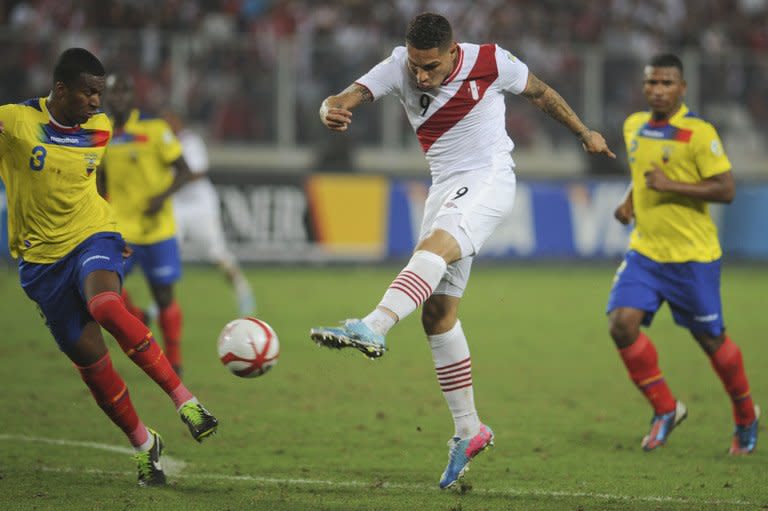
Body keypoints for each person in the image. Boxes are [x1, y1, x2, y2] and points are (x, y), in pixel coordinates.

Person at [309, 12, 615, 489]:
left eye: (430, 66)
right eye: (416, 66)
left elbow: (541, 92)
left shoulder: (491, 61)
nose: (421, 76)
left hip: (489, 180)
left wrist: (584, 133)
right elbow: (349, 95)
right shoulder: (398, 64)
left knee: (433, 249)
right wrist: (330, 108)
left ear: (453, 52)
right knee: (438, 314)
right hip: (445, 187)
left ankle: (374, 325)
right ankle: (470, 430)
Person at [0, 48, 218, 488]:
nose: (98, 104)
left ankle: (186, 401)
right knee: (95, 369)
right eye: (89, 93)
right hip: (40, 265)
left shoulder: (99, 129)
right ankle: (143, 444)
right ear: (60, 90)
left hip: (93, 235)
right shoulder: (15, 124)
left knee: (106, 306)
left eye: (100, 94)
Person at [608, 53, 759, 455]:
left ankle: (746, 415)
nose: (657, 90)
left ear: (682, 88)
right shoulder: (634, 126)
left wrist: (670, 185)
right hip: (645, 252)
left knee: (711, 341)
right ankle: (665, 409)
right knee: (621, 325)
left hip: (692, 257)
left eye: (666, 83)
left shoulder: (699, 133)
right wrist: (630, 203)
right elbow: (644, 175)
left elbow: (725, 189)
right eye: (651, 83)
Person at [100, 74, 193, 377]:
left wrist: (160, 197)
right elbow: (99, 180)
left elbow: (184, 170)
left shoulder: (154, 129)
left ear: (132, 96)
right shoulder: (100, 133)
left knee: (163, 293)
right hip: (121, 230)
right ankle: (137, 316)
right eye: (113, 93)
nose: (119, 98)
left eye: (124, 92)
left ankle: (175, 360)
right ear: (105, 98)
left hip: (157, 230)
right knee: (104, 289)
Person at [161, 109, 255, 316]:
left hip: (199, 206)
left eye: (169, 119)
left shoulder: (191, 142)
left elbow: (195, 173)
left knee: (217, 255)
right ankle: (161, 304)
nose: (166, 124)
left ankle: (243, 291)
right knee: (166, 254)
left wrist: (165, 183)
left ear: (178, 121)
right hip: (176, 205)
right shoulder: (163, 142)